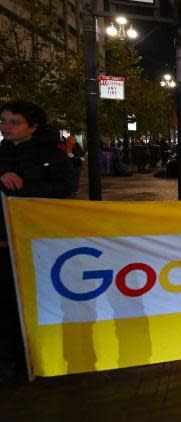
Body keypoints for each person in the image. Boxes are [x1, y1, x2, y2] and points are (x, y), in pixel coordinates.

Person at [0, 100, 74, 381]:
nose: (6, 127)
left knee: (35, 305)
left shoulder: (52, 157)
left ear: (33, 127)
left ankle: (32, 357)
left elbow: (63, 188)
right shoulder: (1, 155)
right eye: (4, 121)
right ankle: (8, 362)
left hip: (35, 245)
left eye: (14, 122)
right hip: (4, 244)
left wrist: (22, 189)